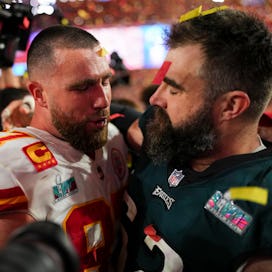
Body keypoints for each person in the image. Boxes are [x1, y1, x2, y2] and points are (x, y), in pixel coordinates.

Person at [122, 7, 272, 272]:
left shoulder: (263, 201)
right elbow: (133, 127)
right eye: (161, 83)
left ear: (231, 106)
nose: (155, 99)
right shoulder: (165, 129)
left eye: (174, 88)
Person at [0, 25, 129, 272]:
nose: (102, 100)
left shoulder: (114, 138)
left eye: (105, 81)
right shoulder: (9, 163)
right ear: (39, 95)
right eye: (82, 87)